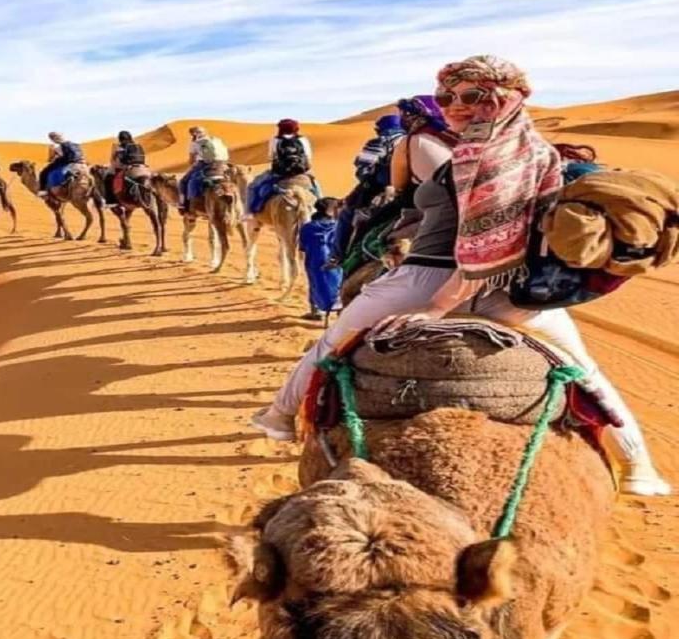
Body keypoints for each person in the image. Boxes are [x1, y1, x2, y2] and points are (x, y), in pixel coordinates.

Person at [251, 54, 670, 496]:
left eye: (471, 96)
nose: (455, 106)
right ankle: (637, 466)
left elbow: (485, 238)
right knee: (585, 371)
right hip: (515, 294)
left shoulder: (481, 153)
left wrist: (437, 306)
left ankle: (279, 417)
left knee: (330, 344)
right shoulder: (538, 151)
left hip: (429, 281)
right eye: (446, 96)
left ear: (504, 98)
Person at [246, 119, 319, 215]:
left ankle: (250, 213)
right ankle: (321, 209)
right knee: (315, 187)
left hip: (279, 174)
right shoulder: (303, 140)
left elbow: (271, 157)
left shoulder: (275, 140)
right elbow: (308, 158)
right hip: (301, 173)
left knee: (252, 186)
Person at [298, 198, 343, 321]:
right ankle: (341, 311)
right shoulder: (338, 226)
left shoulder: (307, 227)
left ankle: (316, 311)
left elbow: (302, 247)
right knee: (339, 283)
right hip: (336, 260)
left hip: (314, 260)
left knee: (314, 283)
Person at [177, 126, 228, 213]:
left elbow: (191, 160)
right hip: (222, 164)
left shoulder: (195, 143)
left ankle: (184, 205)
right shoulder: (217, 140)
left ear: (193, 134)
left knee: (183, 182)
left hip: (205, 165)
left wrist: (193, 164)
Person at [39, 132, 85, 197]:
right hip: (82, 163)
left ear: (53, 139)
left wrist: (53, 157)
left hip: (70, 163)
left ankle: (43, 191)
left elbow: (52, 158)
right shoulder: (75, 144)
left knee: (44, 172)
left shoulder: (57, 146)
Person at [106, 131, 146, 203]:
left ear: (120, 139)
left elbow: (118, 161)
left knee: (108, 178)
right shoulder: (137, 145)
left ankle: (111, 201)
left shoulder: (120, 148)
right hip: (143, 167)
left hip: (128, 168)